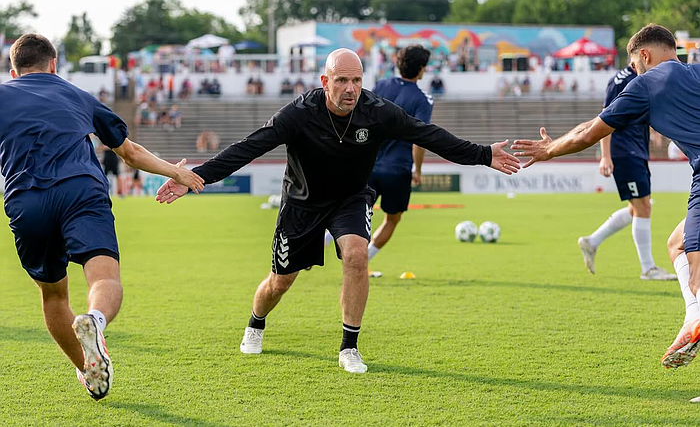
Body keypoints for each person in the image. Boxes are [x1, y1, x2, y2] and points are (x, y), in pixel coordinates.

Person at [156, 48, 520, 374]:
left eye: (357, 80)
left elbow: (428, 135)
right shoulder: (298, 114)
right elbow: (247, 148)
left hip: (351, 198)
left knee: (358, 255)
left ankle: (349, 347)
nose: (351, 88)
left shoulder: (377, 111)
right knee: (279, 283)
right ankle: (256, 322)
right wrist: (194, 177)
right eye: (342, 80)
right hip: (301, 203)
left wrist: (484, 155)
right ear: (324, 81)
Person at [0, 34, 204, 401]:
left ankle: (87, 371)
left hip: (26, 199)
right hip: (81, 189)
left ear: (13, 71)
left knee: (53, 295)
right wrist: (175, 172)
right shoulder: (76, 95)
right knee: (103, 275)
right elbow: (129, 151)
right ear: (53, 65)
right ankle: (95, 321)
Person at [510, 24, 700, 382]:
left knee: (697, 273)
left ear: (644, 56)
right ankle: (692, 317)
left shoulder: (646, 84)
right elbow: (598, 120)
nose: (635, 71)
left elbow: (590, 132)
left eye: (635, 63)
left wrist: (549, 149)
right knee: (676, 244)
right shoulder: (694, 73)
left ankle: (695, 316)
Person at [577, 65, 674, 280]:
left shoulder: (640, 78)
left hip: (636, 150)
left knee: (637, 208)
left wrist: (652, 129)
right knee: (643, 206)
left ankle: (592, 242)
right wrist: (605, 155)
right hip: (624, 151)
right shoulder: (621, 80)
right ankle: (648, 269)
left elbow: (634, 112)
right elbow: (606, 117)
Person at [366, 45, 433, 276]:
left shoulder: (381, 85)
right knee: (392, 219)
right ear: (422, 69)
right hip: (397, 169)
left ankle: (319, 243)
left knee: (350, 212)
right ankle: (362, 262)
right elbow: (420, 139)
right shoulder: (422, 99)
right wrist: (418, 170)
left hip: (368, 165)